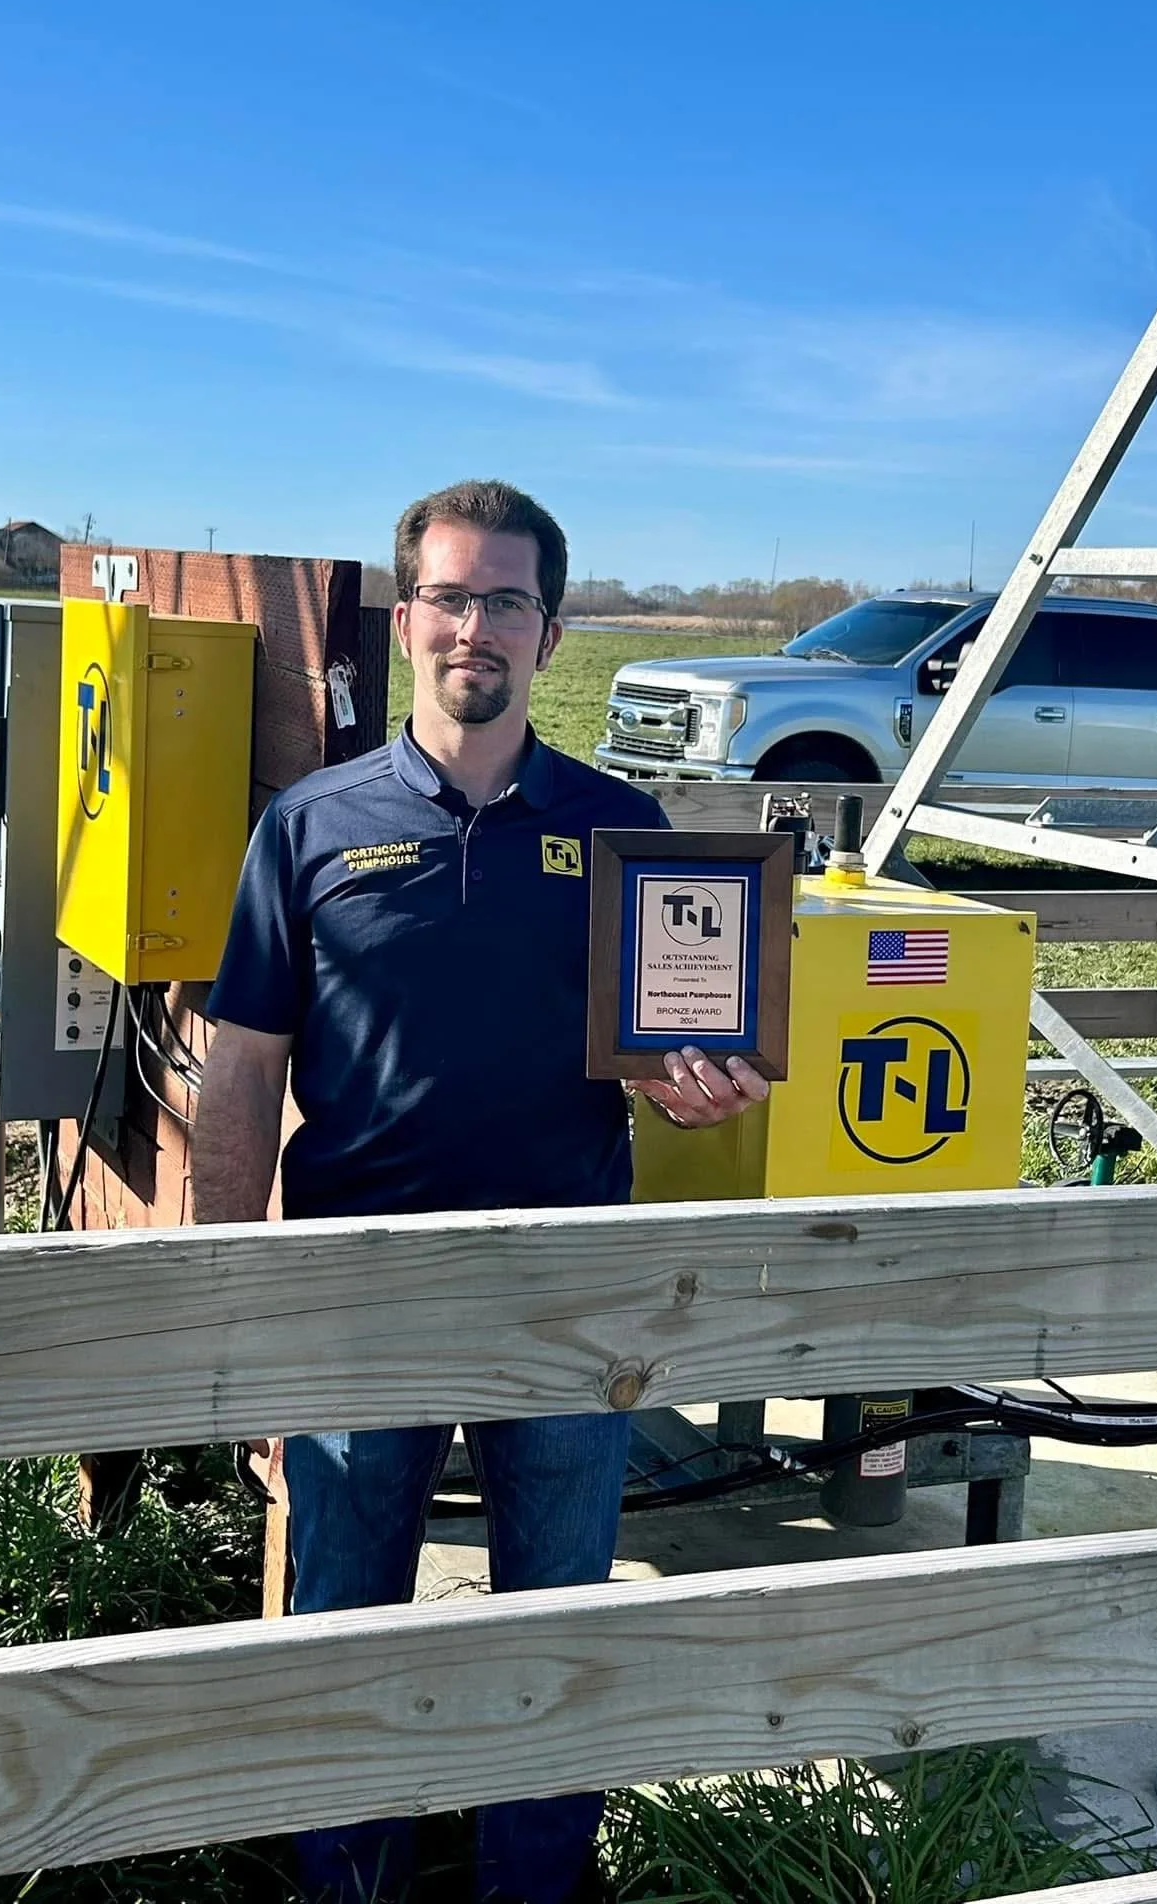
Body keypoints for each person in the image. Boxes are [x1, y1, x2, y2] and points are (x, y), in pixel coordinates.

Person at [192, 479, 769, 1904]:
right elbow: (242, 1077)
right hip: (352, 1292)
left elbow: (673, 1045)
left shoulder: (629, 834)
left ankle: (535, 1885)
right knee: (344, 1632)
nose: (475, 627)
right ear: (405, 625)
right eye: (449, 597)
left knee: (555, 1633)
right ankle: (348, 1885)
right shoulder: (310, 829)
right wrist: (221, 1314)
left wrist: (698, 1084)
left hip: (567, 1293)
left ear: (551, 634)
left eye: (506, 599)